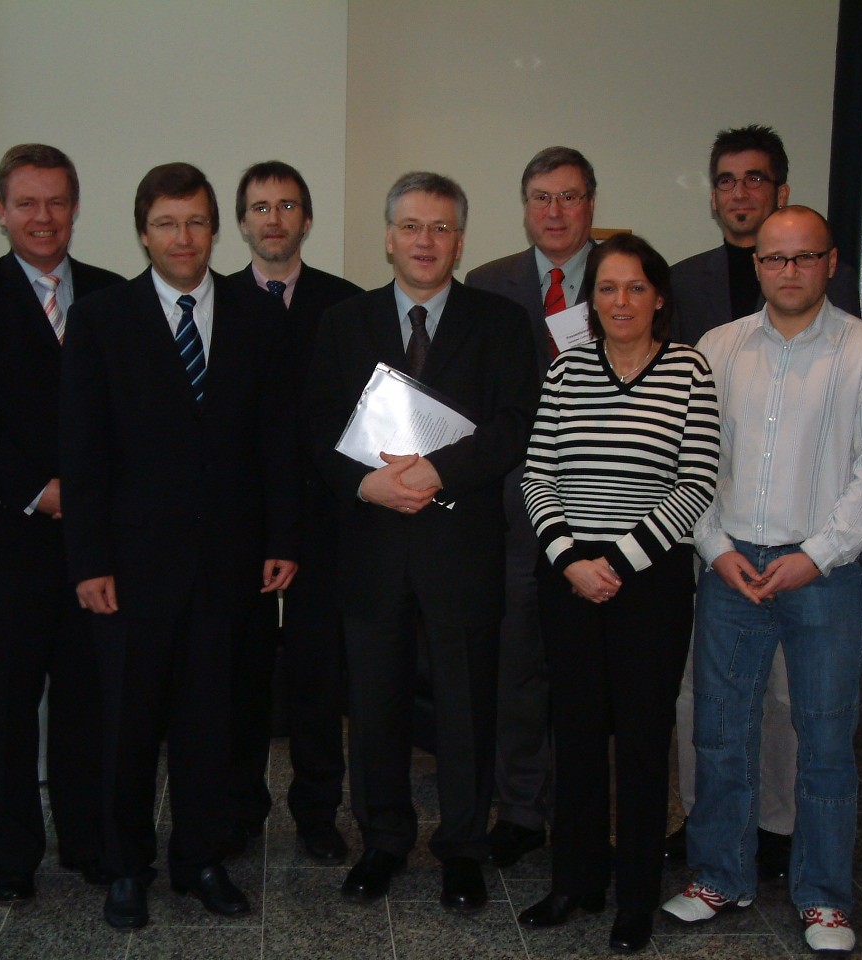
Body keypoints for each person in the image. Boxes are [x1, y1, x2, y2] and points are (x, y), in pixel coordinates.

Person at [662, 206, 862, 956]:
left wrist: (818, 554)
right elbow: (689, 461)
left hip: (824, 574)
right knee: (719, 732)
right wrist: (714, 547)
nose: (789, 270)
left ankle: (825, 897)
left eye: (805, 257)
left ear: (831, 262)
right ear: (758, 265)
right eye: (775, 258)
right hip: (731, 566)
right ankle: (720, 875)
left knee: (825, 739)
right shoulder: (718, 349)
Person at [59, 162, 299, 930]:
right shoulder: (100, 320)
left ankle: (200, 859)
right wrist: (89, 560)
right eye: (167, 223)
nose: (183, 237)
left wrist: (283, 537)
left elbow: (277, 439)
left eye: (196, 221)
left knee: (211, 723)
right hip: (130, 569)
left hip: (228, 566)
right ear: (143, 232)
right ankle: (126, 867)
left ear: (215, 229)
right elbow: (83, 452)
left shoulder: (257, 315)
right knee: (126, 728)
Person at [304, 172, 539, 914]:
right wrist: (364, 485)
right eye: (411, 226)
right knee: (374, 705)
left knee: (467, 707)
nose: (425, 241)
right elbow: (317, 429)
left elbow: (515, 425)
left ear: (460, 241)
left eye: (440, 228)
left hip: (461, 546)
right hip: (371, 546)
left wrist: (440, 470)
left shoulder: (500, 322)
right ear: (388, 237)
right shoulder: (343, 323)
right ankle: (383, 841)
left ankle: (462, 848)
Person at [668, 125, 862, 878]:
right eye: (726, 179)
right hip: (718, 540)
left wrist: (819, 550)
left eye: (755, 178)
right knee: (711, 709)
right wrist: (711, 541)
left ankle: (783, 835)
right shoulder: (687, 292)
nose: (739, 192)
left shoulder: (853, 329)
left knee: (803, 713)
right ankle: (714, 844)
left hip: (814, 553)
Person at [518, 234, 719, 953]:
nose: (621, 301)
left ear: (659, 297)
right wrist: (572, 560)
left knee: (641, 741)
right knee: (574, 738)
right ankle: (574, 881)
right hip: (569, 579)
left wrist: (618, 562)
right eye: (607, 288)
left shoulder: (689, 370)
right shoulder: (566, 369)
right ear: (590, 300)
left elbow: (696, 482)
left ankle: (634, 896)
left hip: (649, 584)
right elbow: (538, 475)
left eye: (636, 288)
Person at [0, 144, 123, 903]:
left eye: (57, 202)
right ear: (1, 211)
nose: (43, 217)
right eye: (27, 203)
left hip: (94, 542)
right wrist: (38, 491)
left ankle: (85, 840)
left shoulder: (113, 294)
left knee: (87, 699)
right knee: (11, 706)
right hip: (8, 539)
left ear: (75, 209)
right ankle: (14, 857)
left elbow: (133, 412)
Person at [464, 146, 598, 867]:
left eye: (569, 197)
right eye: (542, 197)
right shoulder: (488, 284)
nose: (555, 211)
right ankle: (519, 809)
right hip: (515, 508)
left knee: (589, 672)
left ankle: (582, 811)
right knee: (517, 668)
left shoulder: (626, 277)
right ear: (524, 207)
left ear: (590, 205)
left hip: (603, 506)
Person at [226, 161, 362, 864]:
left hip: (325, 523)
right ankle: (240, 806)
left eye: (286, 206)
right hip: (238, 527)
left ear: (307, 220)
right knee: (240, 675)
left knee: (318, 676)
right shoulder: (212, 302)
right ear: (241, 222)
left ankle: (317, 811)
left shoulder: (347, 305)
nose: (273, 219)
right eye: (260, 207)